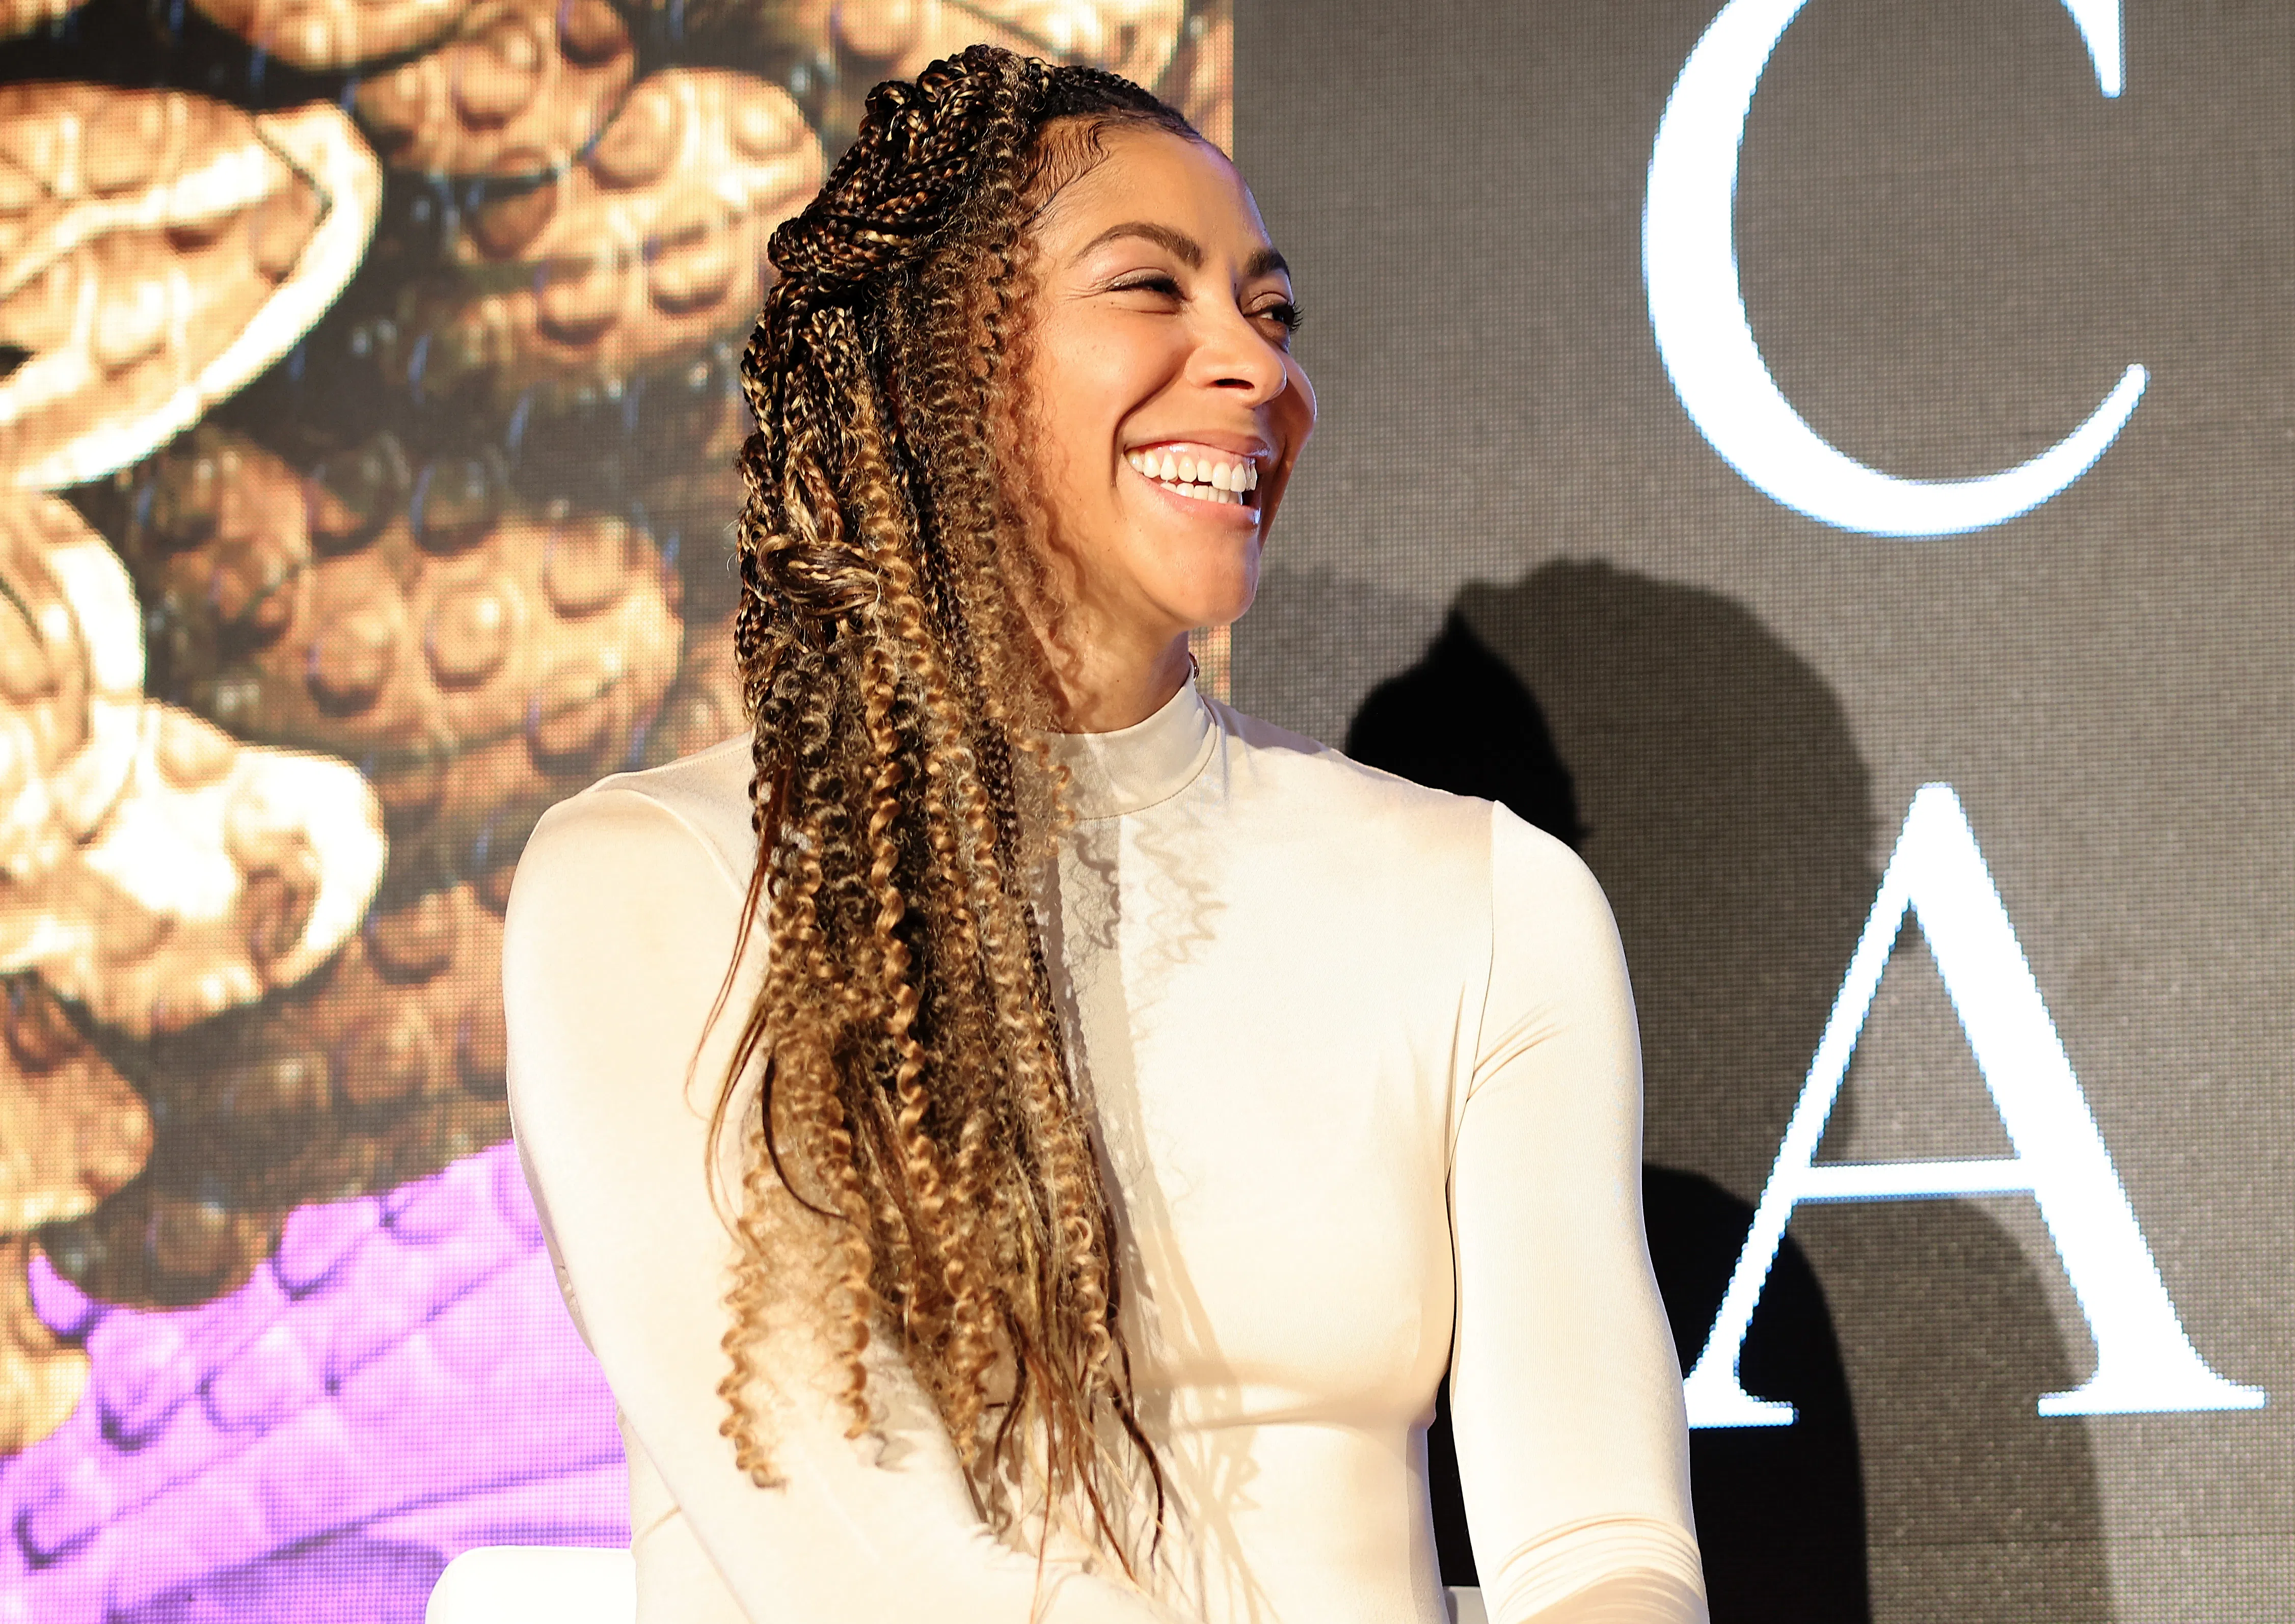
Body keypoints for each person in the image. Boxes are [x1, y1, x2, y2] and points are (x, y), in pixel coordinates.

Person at [501, 45, 1706, 1624]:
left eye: (1271, 315)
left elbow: (1602, 1550)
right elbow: (849, 1533)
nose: (1256, 368)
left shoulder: (1489, 902)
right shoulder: (658, 884)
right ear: (931, 365)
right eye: (1151, 288)